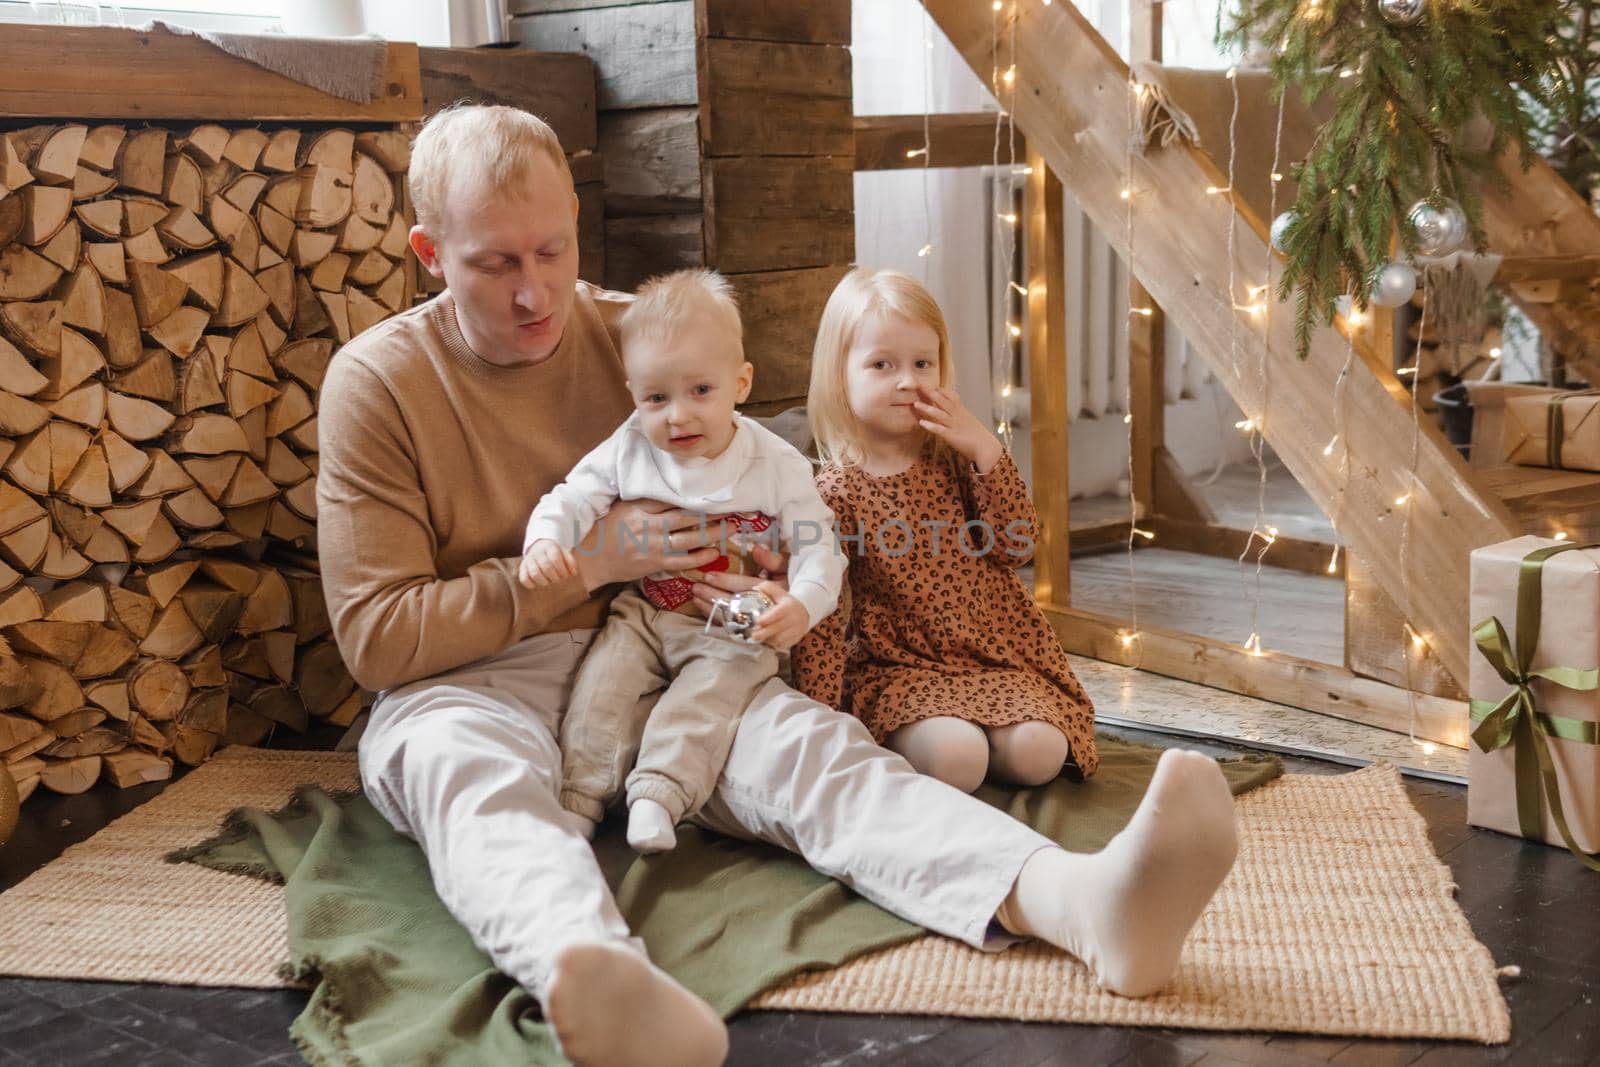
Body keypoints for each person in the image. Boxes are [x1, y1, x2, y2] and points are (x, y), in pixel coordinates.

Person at [317, 103, 1241, 1067]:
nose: (534, 292)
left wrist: (770, 576)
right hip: (472, 684)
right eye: (494, 263)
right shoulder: (378, 383)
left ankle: (1084, 903)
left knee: (818, 753)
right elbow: (378, 639)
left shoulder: (651, 342)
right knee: (477, 784)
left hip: (681, 648)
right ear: (429, 251)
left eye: (552, 250)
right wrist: (589, 563)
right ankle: (591, 977)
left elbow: (775, 491)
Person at [520, 268, 844, 854]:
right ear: (634, 395)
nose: (678, 416)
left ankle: (659, 794)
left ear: (741, 383)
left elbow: (818, 540)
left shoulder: (773, 463)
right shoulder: (630, 447)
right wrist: (546, 539)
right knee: (600, 689)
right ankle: (579, 802)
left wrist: (805, 602)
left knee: (712, 696)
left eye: (701, 391)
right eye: (656, 398)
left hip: (734, 619)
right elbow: (573, 495)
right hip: (644, 609)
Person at [793, 268, 1096, 794]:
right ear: (839, 376)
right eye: (882, 365)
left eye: (922, 363)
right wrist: (819, 720)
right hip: (900, 668)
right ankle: (941, 741)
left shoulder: (957, 458)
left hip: (990, 655)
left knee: (1040, 755)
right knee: (957, 759)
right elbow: (823, 612)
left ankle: (987, 738)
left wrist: (986, 450)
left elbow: (1015, 547)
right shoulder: (833, 493)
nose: (907, 380)